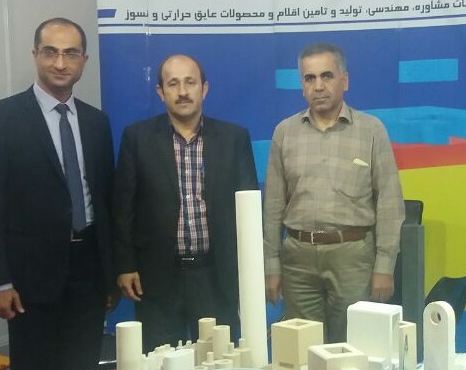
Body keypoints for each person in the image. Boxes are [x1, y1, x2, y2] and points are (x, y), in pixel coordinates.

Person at [0, 17, 116, 370]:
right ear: (35, 55)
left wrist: (109, 273)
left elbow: (104, 201)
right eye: (51, 52)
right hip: (29, 280)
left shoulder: (97, 122)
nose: (60, 63)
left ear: (84, 60)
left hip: (88, 273)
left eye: (71, 54)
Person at [114, 54, 259, 352]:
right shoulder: (137, 138)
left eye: (190, 82)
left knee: (220, 363)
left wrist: (249, 270)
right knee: (161, 365)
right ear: (160, 92)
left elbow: (248, 210)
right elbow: (123, 208)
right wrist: (125, 265)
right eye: (173, 84)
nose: (182, 92)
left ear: (204, 89)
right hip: (158, 278)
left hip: (216, 276)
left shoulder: (233, 138)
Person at [263, 42, 405, 343]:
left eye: (326, 76)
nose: (318, 86)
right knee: (302, 351)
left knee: (352, 349)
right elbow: (273, 206)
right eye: (309, 78)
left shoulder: (371, 130)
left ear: (344, 80)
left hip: (352, 258)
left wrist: (384, 267)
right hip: (298, 261)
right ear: (302, 85)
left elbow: (390, 203)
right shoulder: (284, 133)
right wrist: (271, 266)